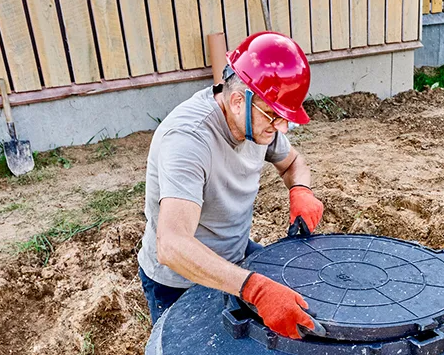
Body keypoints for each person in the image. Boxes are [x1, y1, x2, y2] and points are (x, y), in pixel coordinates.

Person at [137, 31, 325, 339]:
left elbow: (293, 163)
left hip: (236, 256)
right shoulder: (188, 140)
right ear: (238, 100)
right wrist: (255, 288)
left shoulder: (257, 120)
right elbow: (172, 245)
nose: (283, 127)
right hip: (179, 280)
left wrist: (300, 191)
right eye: (276, 117)